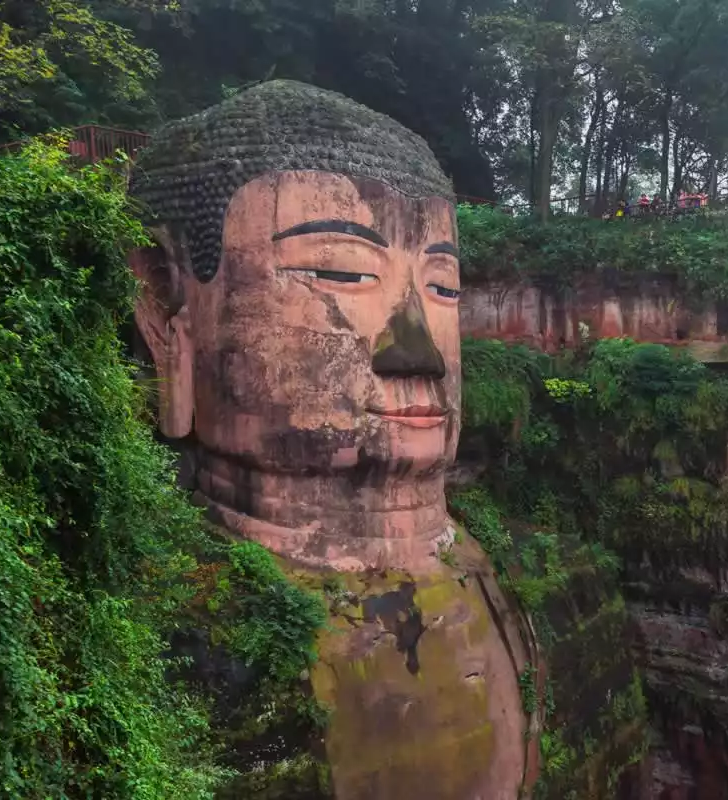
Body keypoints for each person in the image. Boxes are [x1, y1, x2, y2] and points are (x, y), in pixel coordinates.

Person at [129, 80, 528, 799]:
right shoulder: (167, 651)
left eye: (443, 288)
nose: (419, 354)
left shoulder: (515, 585)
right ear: (167, 311)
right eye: (340, 272)